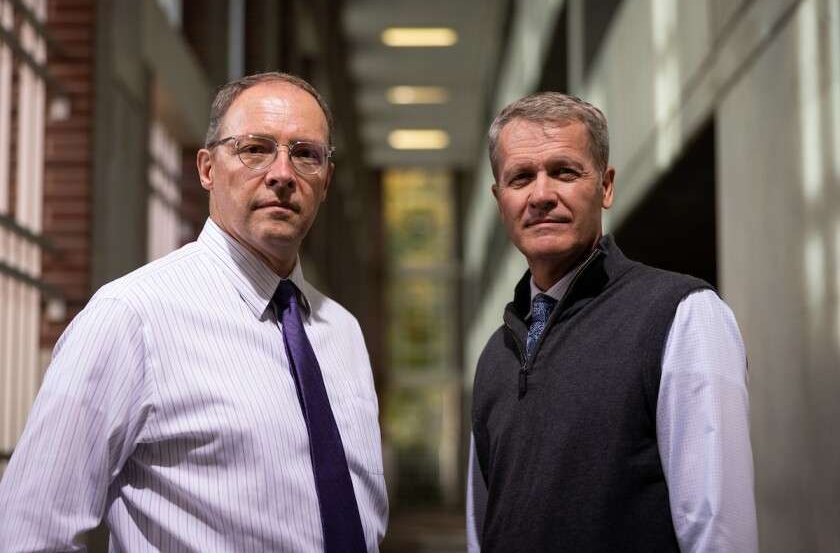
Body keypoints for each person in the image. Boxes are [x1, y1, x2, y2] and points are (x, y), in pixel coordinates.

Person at [0, 72, 387, 552]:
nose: (282, 174)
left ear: (325, 181)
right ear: (207, 169)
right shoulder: (131, 318)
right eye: (255, 149)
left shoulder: (343, 332)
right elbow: (30, 534)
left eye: (306, 154)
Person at [466, 92, 757, 552]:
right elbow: (482, 531)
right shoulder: (495, 355)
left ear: (605, 186)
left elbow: (719, 532)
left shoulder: (683, 315)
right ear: (500, 199)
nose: (541, 195)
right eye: (520, 177)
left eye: (564, 172)